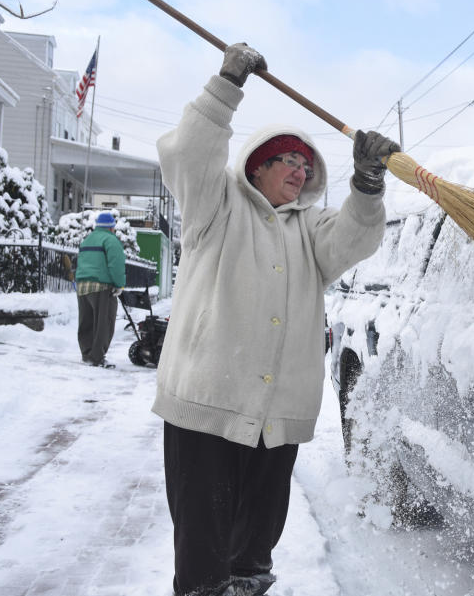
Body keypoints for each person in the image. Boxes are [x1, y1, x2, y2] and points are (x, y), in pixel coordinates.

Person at [153, 43, 399, 596]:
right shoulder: (214, 206)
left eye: (305, 164)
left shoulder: (310, 229)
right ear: (257, 167)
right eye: (287, 160)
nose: (300, 168)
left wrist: (366, 185)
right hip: (206, 410)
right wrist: (227, 84)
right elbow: (190, 154)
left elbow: (355, 239)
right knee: (202, 557)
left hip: (274, 418)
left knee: (251, 557)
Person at [75, 211, 126, 368]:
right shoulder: (111, 240)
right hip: (101, 286)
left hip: (83, 286)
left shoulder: (87, 240)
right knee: (104, 322)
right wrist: (119, 285)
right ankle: (97, 357)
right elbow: (116, 265)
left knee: (86, 321)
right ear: (111, 227)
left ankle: (87, 353)